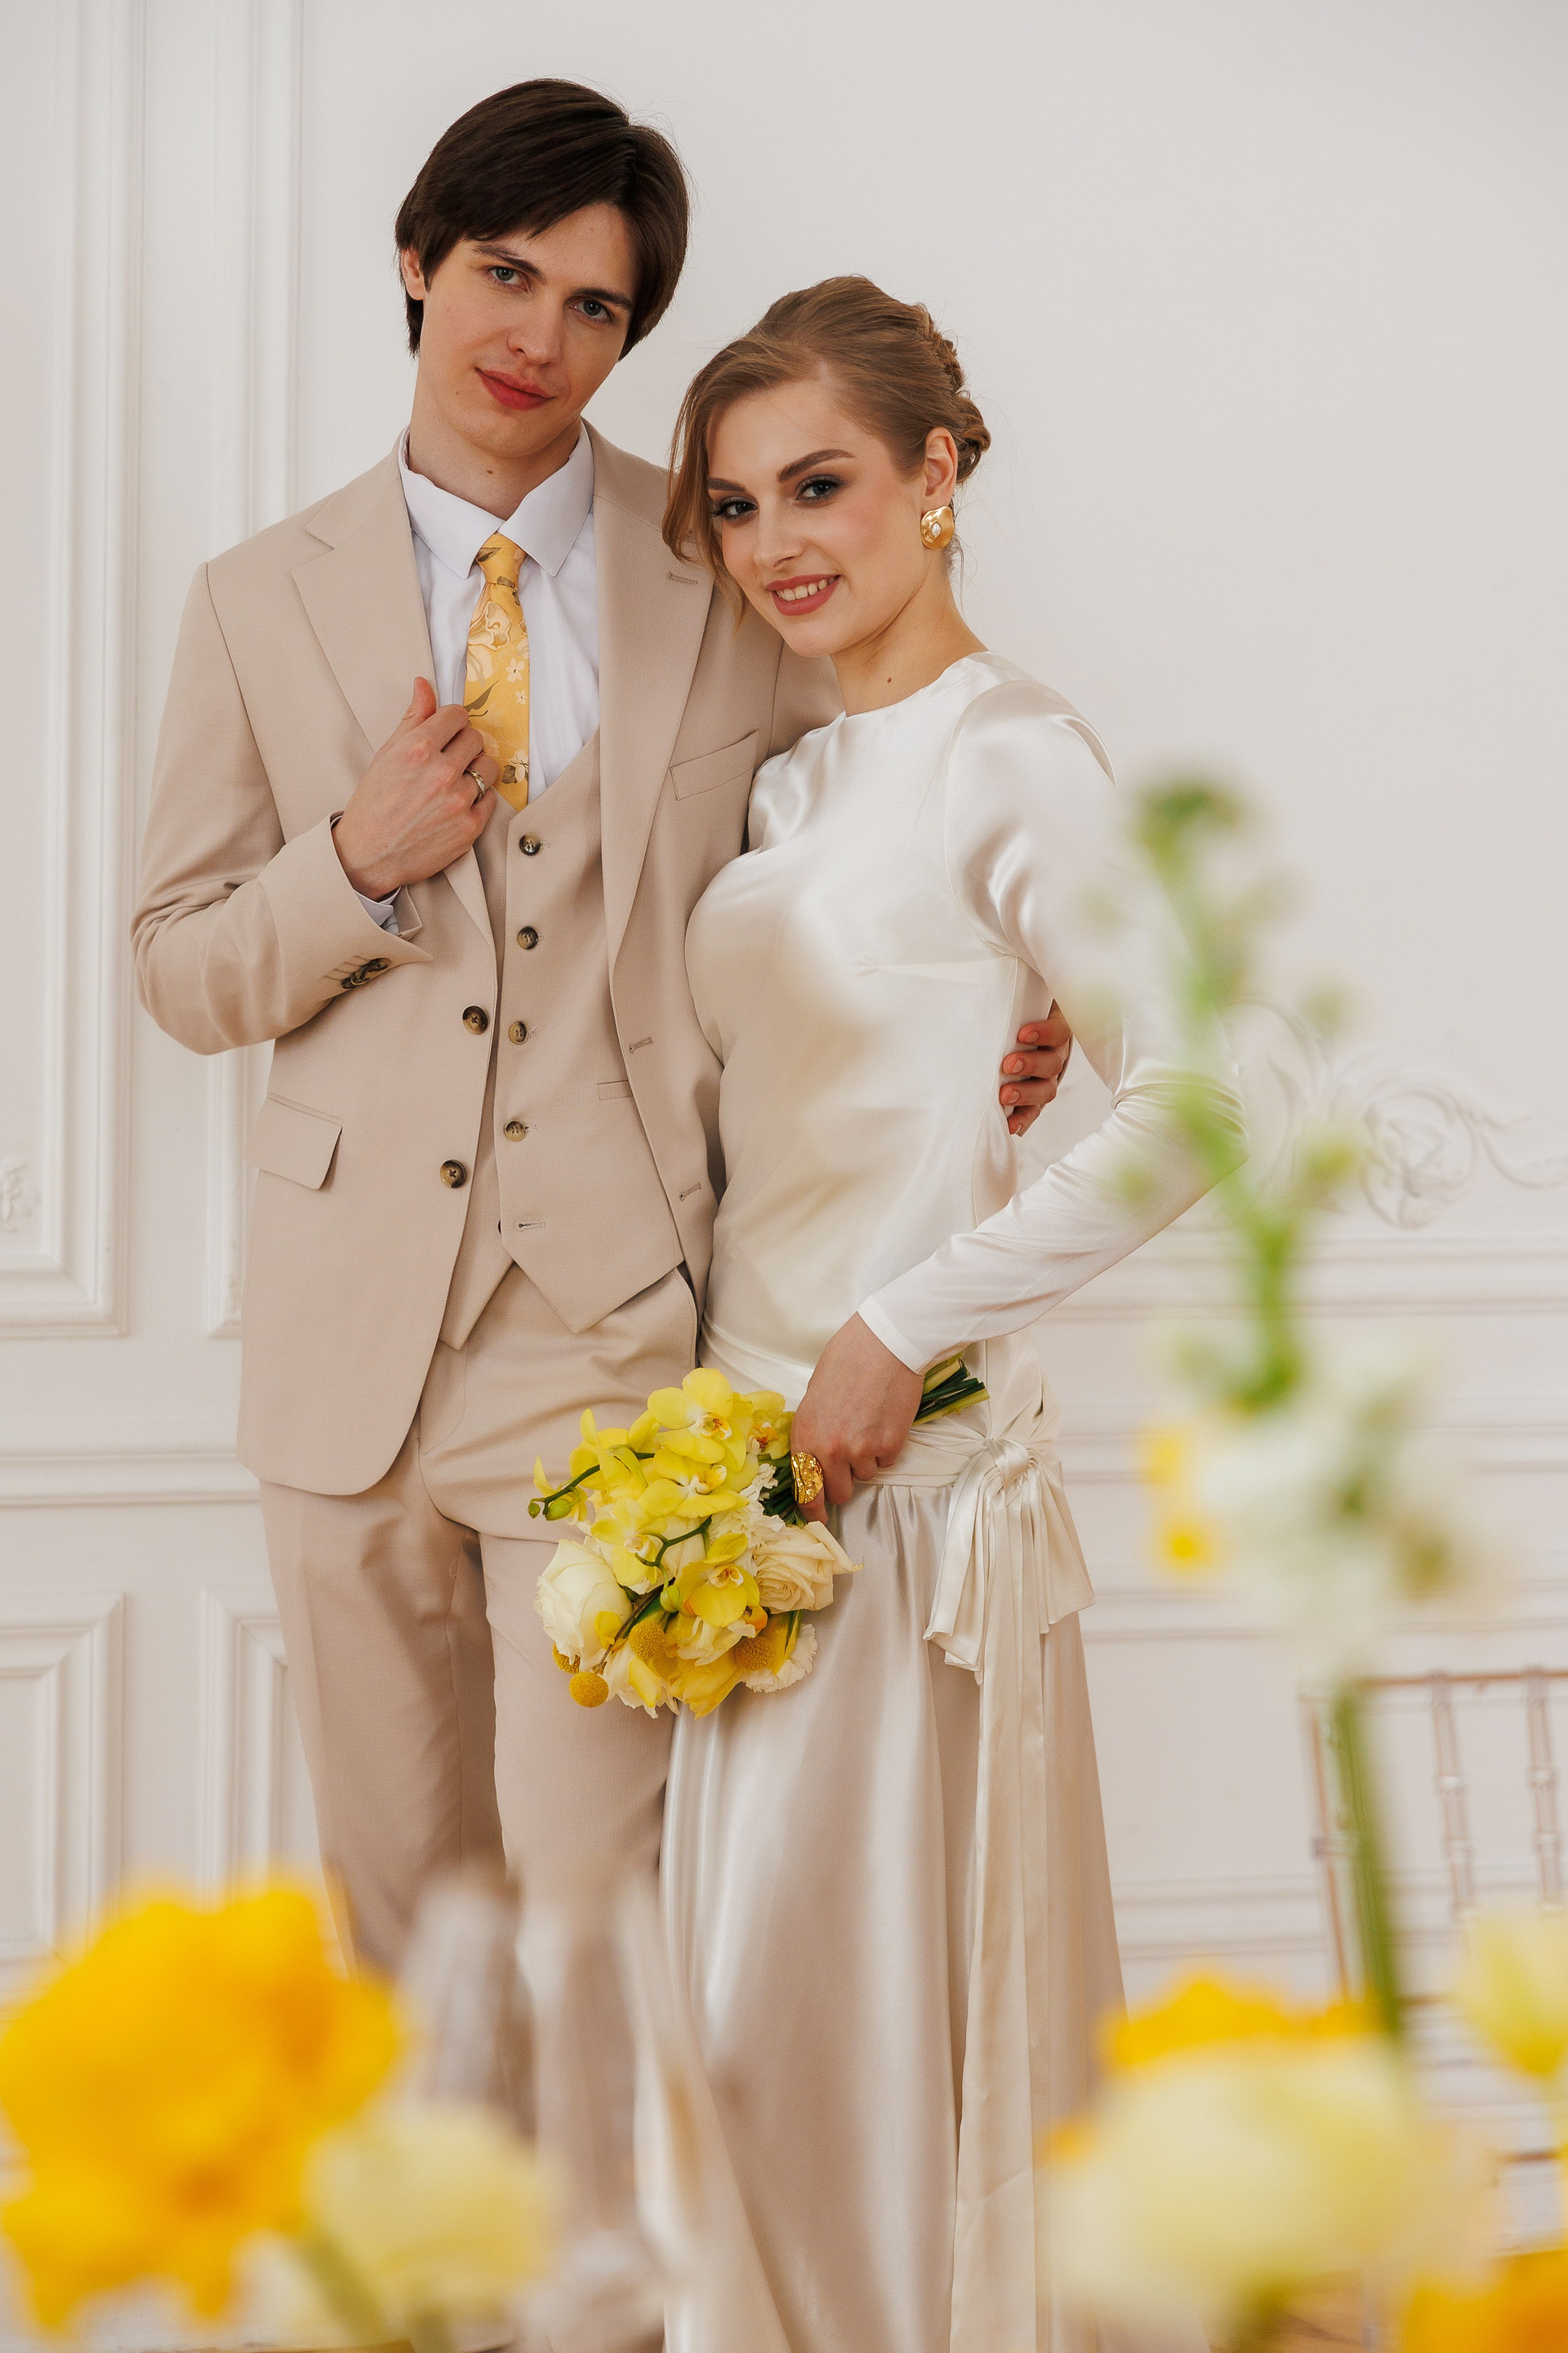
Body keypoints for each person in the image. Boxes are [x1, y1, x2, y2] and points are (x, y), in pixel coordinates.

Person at [130, 83, 1071, 1972]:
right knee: (410, 1932)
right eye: (505, 274)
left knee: (602, 1926)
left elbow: (871, 820)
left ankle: (624, 2200)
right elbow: (179, 965)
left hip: (613, 1339)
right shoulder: (253, 600)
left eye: (595, 307)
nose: (539, 340)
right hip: (342, 1352)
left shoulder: (719, 561)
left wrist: (1013, 968)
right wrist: (351, 863)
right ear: (417, 262)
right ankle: (445, 2198)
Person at [657, 279, 1245, 2353]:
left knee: (863, 2028)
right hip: (743, 1478)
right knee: (759, 2038)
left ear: (935, 474)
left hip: (900, 1486)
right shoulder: (797, 781)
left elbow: (1210, 1097)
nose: (776, 544)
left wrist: (902, 1322)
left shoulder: (1011, 749)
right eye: (737, 507)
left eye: (818, 485)